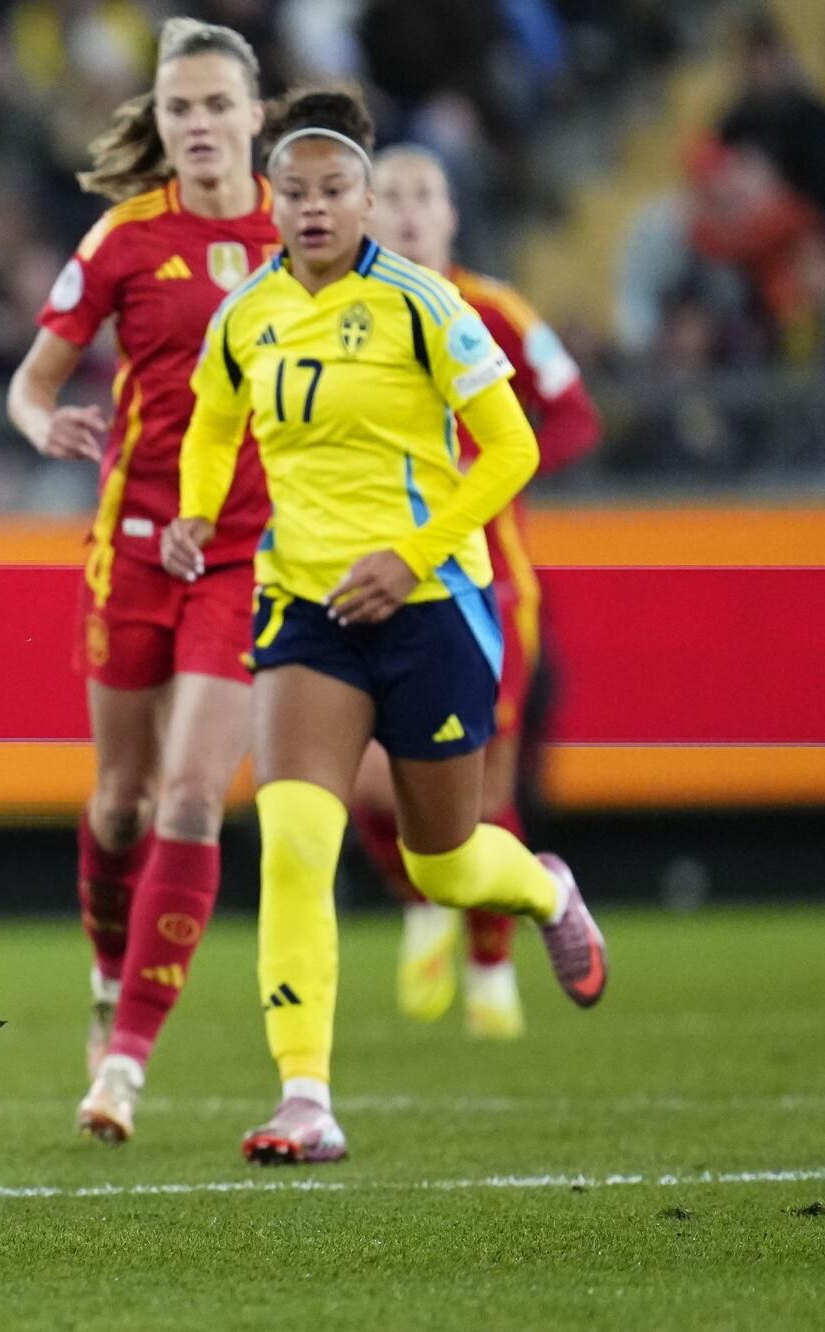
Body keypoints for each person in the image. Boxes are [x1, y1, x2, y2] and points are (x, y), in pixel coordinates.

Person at [164, 89, 610, 1166]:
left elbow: (504, 450)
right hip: (304, 609)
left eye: (334, 190)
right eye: (297, 192)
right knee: (294, 846)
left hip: (430, 608)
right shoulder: (245, 316)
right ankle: (304, 1099)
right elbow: (214, 425)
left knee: (445, 858)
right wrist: (191, 510)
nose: (313, 208)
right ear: (272, 202)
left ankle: (543, 887)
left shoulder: (426, 305)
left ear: (364, 198)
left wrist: (409, 555)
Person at [5, 18, 278, 1145]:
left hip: (250, 552)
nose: (199, 126)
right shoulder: (122, 239)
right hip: (131, 547)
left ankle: (122, 1061)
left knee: (188, 796)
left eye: (218, 106)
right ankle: (108, 979)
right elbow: (29, 385)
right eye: (180, 109)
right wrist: (43, 427)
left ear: (256, 115)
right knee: (117, 801)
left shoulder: (302, 235)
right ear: (157, 123)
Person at [363, 145, 603, 1037]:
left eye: (427, 194)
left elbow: (574, 413)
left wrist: (491, 471)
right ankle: (424, 893)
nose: (411, 211)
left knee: (477, 778)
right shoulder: (335, 316)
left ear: (452, 215)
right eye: (392, 195)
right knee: (361, 780)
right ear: (364, 210)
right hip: (367, 578)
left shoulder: (492, 309)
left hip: (485, 586)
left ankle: (493, 971)